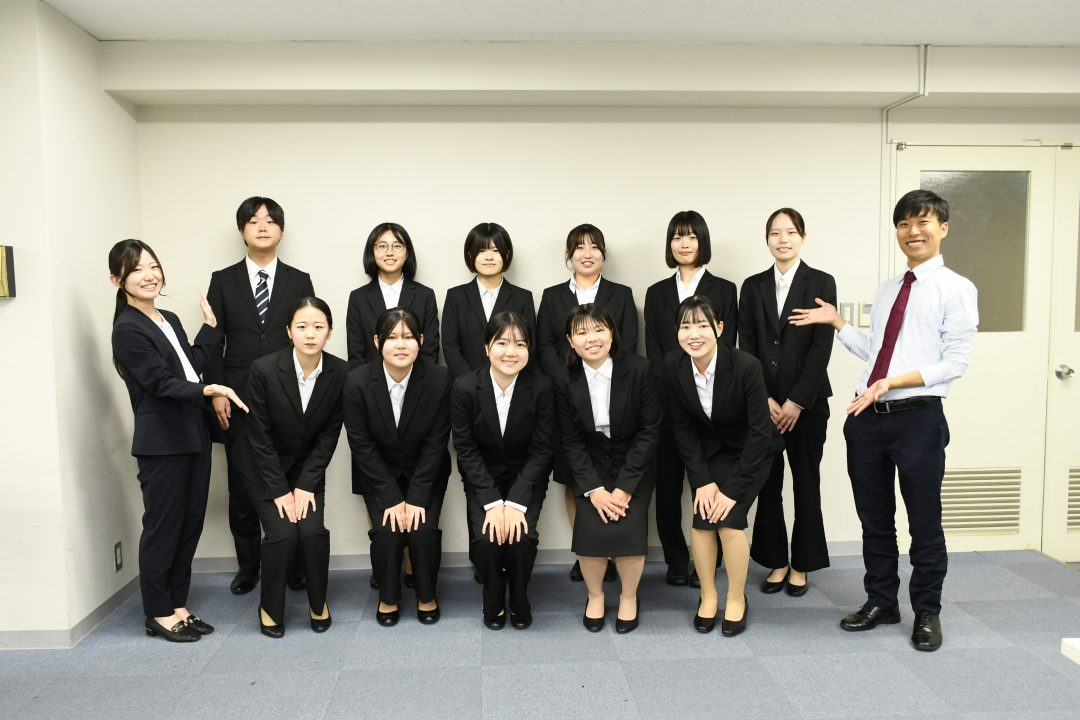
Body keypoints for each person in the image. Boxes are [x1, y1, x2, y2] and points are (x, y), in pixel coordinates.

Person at [790, 189, 977, 652]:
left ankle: (927, 611)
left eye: (922, 222)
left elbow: (954, 363)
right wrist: (837, 323)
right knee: (874, 521)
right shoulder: (890, 288)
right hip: (867, 418)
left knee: (924, 523)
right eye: (904, 224)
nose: (913, 232)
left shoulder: (956, 288)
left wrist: (892, 383)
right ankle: (881, 601)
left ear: (942, 228)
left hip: (917, 419)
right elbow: (878, 353)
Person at [109, 239, 247, 642]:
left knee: (189, 526)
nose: (149, 275)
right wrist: (211, 389)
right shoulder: (127, 329)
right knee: (163, 527)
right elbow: (161, 383)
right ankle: (157, 611)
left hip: (193, 434)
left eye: (153, 266)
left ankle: (177, 605)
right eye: (137, 270)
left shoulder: (166, 317)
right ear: (117, 280)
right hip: (162, 443)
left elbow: (190, 365)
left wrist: (211, 329)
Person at [205, 196, 315, 596]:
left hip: (287, 395)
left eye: (270, 221)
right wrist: (216, 391)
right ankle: (248, 566)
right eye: (254, 221)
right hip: (236, 398)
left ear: (281, 231)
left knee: (290, 480)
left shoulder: (299, 280)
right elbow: (214, 339)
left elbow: (307, 336)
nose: (263, 226)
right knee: (242, 489)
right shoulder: (223, 279)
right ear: (243, 230)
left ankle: (294, 566)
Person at [664, 296, 779, 636]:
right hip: (710, 454)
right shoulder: (673, 365)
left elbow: (760, 433)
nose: (694, 334)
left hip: (751, 452)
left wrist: (731, 490)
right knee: (702, 522)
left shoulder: (746, 366)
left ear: (719, 328)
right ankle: (708, 595)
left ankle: (736, 597)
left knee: (728, 523)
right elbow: (682, 428)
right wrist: (702, 481)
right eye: (686, 326)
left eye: (702, 325)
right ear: (677, 332)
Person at [233, 297, 347, 638]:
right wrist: (280, 490)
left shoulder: (341, 372)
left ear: (329, 332)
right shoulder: (264, 369)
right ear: (288, 331)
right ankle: (270, 607)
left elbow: (329, 434)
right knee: (282, 534)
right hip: (263, 467)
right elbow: (258, 436)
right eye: (302, 326)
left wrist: (306, 484)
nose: (310, 334)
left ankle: (318, 602)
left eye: (318, 327)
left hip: (307, 470)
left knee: (311, 532)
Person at [739, 208, 835, 596]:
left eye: (791, 232)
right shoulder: (753, 286)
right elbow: (746, 344)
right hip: (763, 406)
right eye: (775, 233)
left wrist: (796, 400)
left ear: (803, 238)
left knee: (806, 483)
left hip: (807, 405)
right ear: (767, 240)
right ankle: (776, 561)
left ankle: (803, 564)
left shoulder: (822, 281)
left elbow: (821, 348)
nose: (783, 239)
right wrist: (763, 396)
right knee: (768, 485)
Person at [536, 224, 638, 582]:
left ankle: (611, 550)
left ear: (603, 254)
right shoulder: (552, 296)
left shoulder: (621, 294)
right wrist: (571, 381)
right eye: (579, 247)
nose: (587, 253)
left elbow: (629, 345)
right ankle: (587, 552)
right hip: (568, 401)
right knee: (574, 477)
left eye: (594, 246)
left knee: (612, 474)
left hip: (613, 396)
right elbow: (545, 347)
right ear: (569, 255)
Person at [643, 210, 738, 587]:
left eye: (691, 237)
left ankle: (709, 564)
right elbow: (654, 352)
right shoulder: (656, 293)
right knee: (667, 490)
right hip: (667, 407)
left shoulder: (725, 289)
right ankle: (676, 561)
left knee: (710, 485)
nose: (684, 244)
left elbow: (727, 348)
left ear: (703, 242)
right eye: (677, 237)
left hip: (712, 409)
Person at [553, 304, 660, 634]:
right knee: (591, 530)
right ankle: (595, 595)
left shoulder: (640, 370)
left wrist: (625, 486)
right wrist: (594, 489)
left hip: (633, 461)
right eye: (582, 333)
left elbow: (649, 431)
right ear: (570, 341)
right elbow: (569, 439)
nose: (592, 338)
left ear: (612, 333)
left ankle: (628, 596)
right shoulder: (563, 377)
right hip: (589, 462)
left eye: (599, 329)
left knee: (629, 530)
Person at [343, 307, 452, 626]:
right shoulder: (356, 381)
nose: (401, 344)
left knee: (422, 530)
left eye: (408, 337)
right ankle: (388, 597)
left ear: (421, 341)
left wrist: (416, 497)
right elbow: (361, 444)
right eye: (392, 338)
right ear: (378, 342)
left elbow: (437, 442)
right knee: (388, 531)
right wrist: (391, 497)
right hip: (378, 474)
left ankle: (426, 595)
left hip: (426, 473)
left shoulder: (440, 379)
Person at [451, 312, 553, 630]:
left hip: (527, 479)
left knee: (521, 536)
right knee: (487, 538)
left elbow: (543, 449)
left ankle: (519, 594)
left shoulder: (542, 387)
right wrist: (494, 503)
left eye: (520, 344)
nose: (511, 352)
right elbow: (465, 449)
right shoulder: (465, 387)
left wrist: (516, 502)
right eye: (502, 343)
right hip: (483, 479)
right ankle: (493, 593)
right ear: (486, 347)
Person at [442, 222, 536, 379]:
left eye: (496, 250)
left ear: (506, 254)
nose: (489, 257)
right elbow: (450, 346)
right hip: (465, 385)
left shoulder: (523, 297)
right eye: (481, 250)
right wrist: (470, 383)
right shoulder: (455, 296)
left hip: (511, 383)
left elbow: (529, 346)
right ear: (470, 255)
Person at [345, 222, 440, 368]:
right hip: (369, 380)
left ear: (407, 253)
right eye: (382, 246)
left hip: (418, 379)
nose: (389, 252)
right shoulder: (358, 298)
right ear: (372, 252)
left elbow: (430, 350)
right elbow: (356, 353)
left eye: (397, 246)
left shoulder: (425, 295)